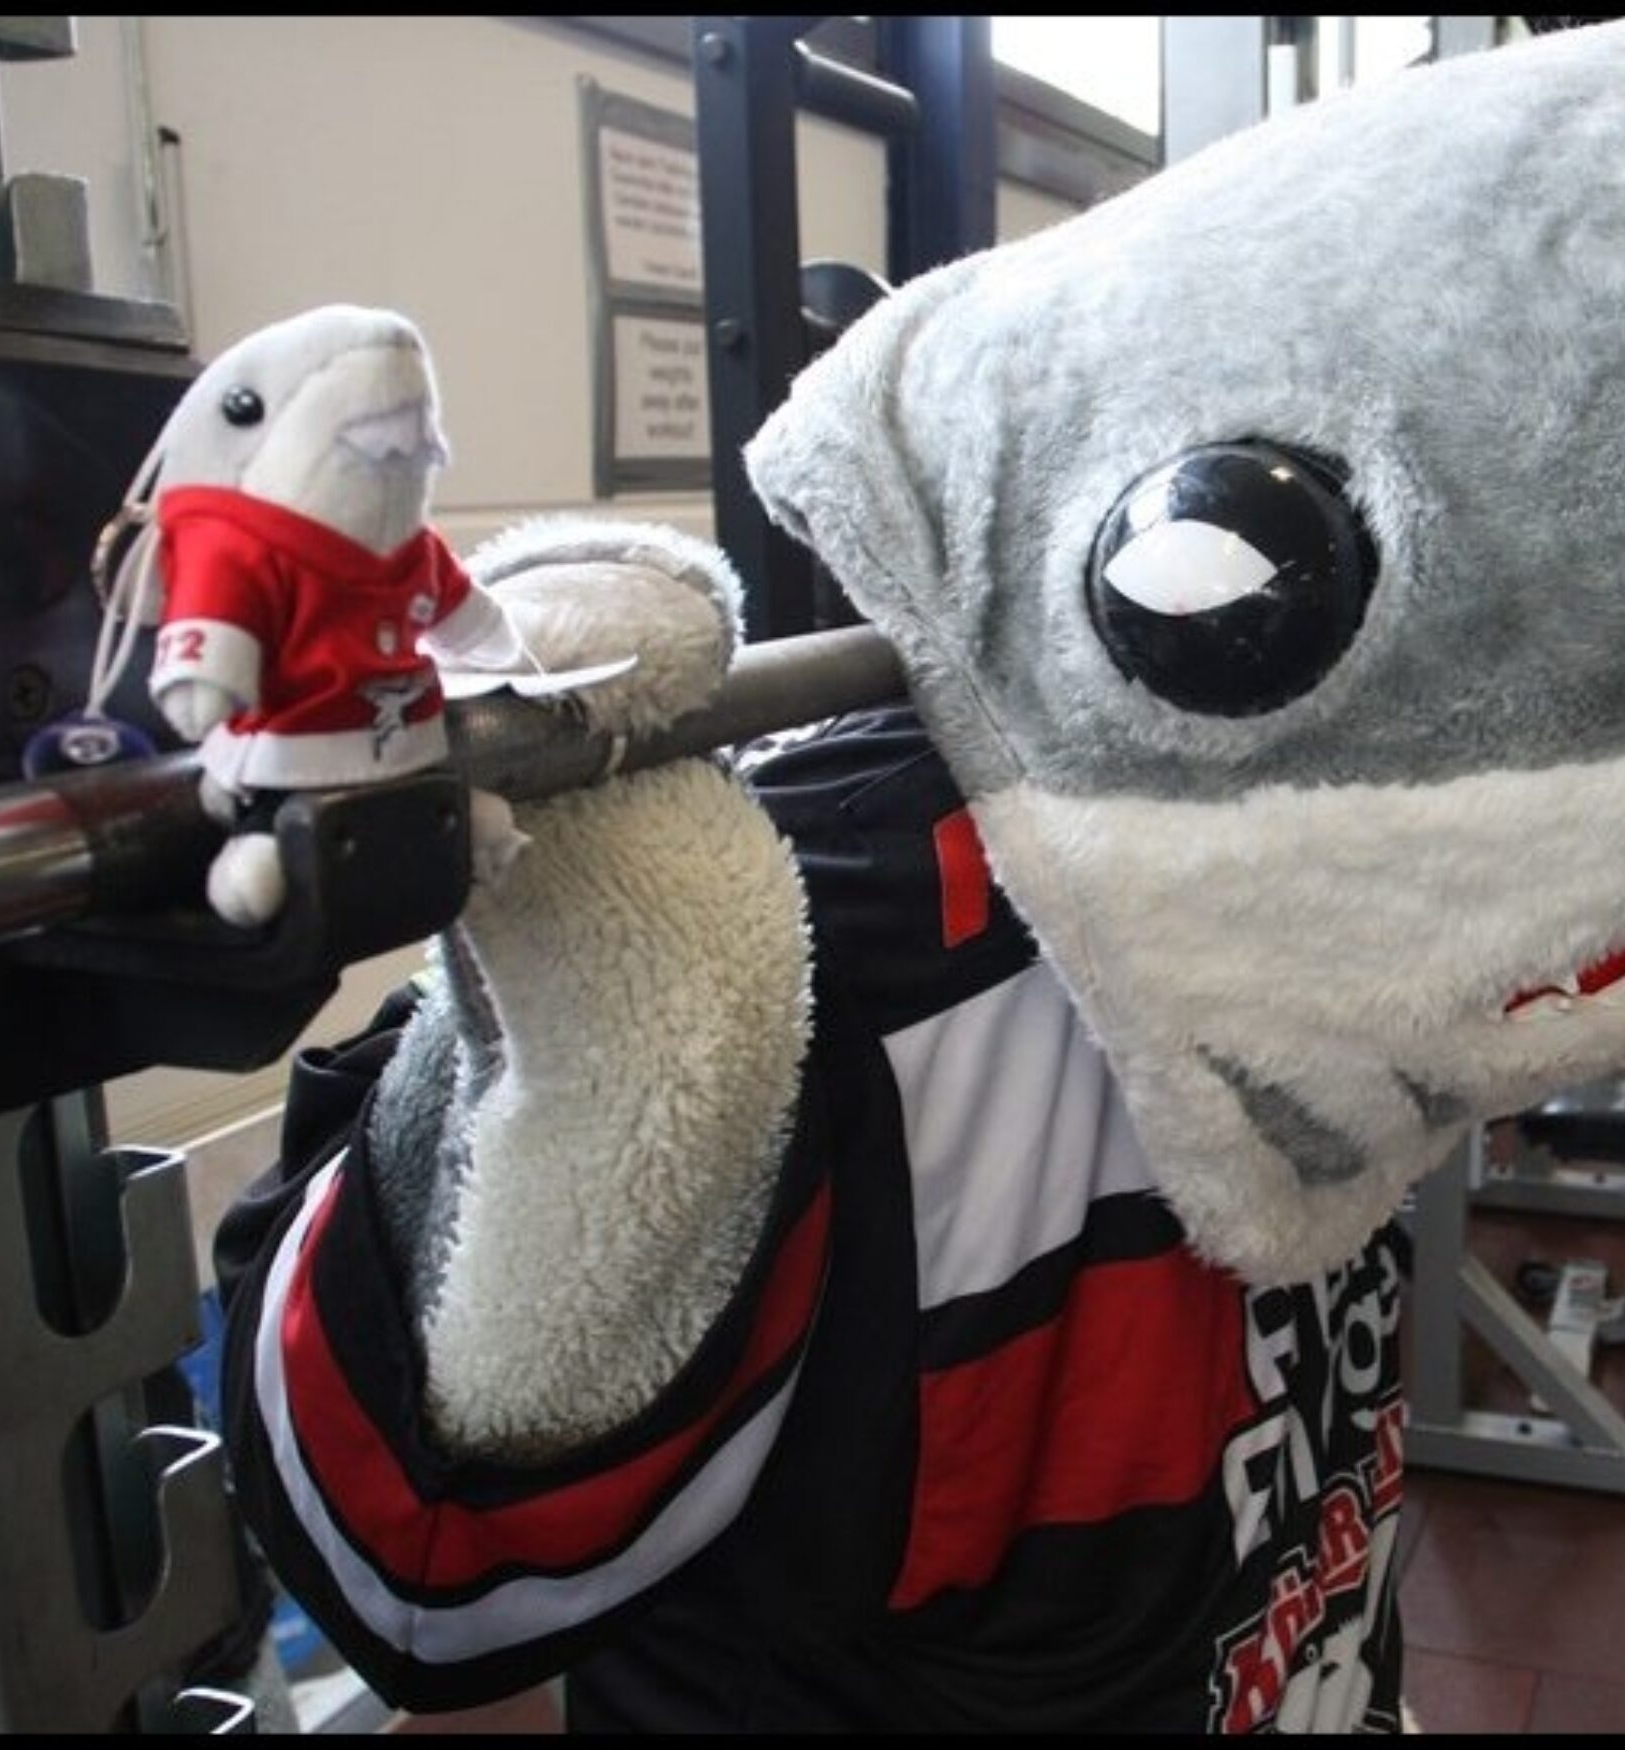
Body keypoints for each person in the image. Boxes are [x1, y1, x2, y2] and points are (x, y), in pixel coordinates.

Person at [212, 563, 1412, 1731]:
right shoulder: (808, 945)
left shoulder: (1385, 824)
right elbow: (422, 1567)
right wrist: (546, 983)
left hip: (1277, 1621)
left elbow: (416, 1570)